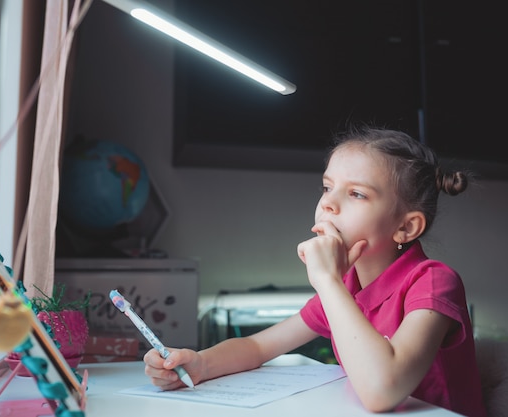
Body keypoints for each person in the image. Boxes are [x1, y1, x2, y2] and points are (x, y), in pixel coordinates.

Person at [143, 125, 487, 416]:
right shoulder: (347, 287)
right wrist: (199, 364)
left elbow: (382, 391)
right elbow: (257, 347)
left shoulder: (433, 282)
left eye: (356, 194)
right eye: (327, 187)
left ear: (406, 228)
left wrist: (326, 280)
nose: (328, 203)